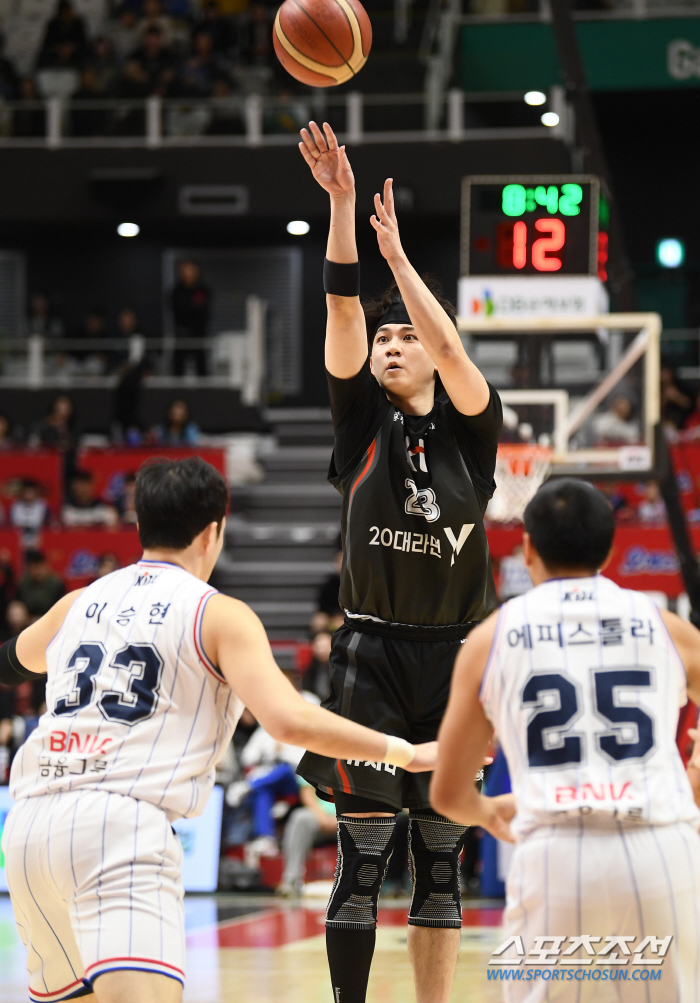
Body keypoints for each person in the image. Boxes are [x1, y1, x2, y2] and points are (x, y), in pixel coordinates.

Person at [0, 455, 435, 1003]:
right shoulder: (217, 614)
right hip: (119, 826)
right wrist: (405, 752)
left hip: (29, 826)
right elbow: (289, 719)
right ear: (214, 531)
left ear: (139, 525)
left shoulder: (76, 604)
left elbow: (9, 663)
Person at [294, 122, 502, 1003]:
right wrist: (341, 208)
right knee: (364, 861)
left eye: (403, 333)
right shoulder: (359, 428)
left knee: (442, 865)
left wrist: (404, 267)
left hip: (459, 663)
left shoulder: (473, 435)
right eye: (386, 336)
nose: (391, 339)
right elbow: (344, 309)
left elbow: (452, 349)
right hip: (373, 657)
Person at [431, 478, 700, 1002]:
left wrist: (488, 813)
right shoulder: (667, 626)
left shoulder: (491, 638)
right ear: (610, 548)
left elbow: (447, 794)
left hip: (555, 856)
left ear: (527, 547)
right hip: (662, 849)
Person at [277, 778, 338, 897]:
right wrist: (323, 818)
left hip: (354, 818)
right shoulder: (315, 760)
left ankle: (369, 884)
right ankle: (291, 881)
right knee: (300, 818)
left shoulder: (365, 761)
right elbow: (307, 793)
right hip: (319, 818)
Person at [171, 259, 211, 376]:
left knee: (202, 369)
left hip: (199, 334)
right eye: (185, 271)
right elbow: (178, 311)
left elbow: (203, 312)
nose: (188, 274)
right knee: (178, 370)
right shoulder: (176, 292)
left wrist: (191, 309)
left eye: (191, 271)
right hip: (181, 335)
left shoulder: (203, 290)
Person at [16, 550, 65, 621]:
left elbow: (62, 604)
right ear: (29, 569)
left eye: (39, 567)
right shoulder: (23, 583)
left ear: (46, 567)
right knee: (16, 610)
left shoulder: (56, 583)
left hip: (51, 618)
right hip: (28, 620)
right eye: (34, 568)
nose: (37, 572)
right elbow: (18, 603)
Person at [9, 480, 50, 548]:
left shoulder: (42, 505)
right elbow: (12, 523)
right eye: (27, 492)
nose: (29, 495)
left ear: (36, 493)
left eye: (31, 492)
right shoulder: (16, 505)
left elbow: (47, 522)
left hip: (38, 537)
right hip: (19, 538)